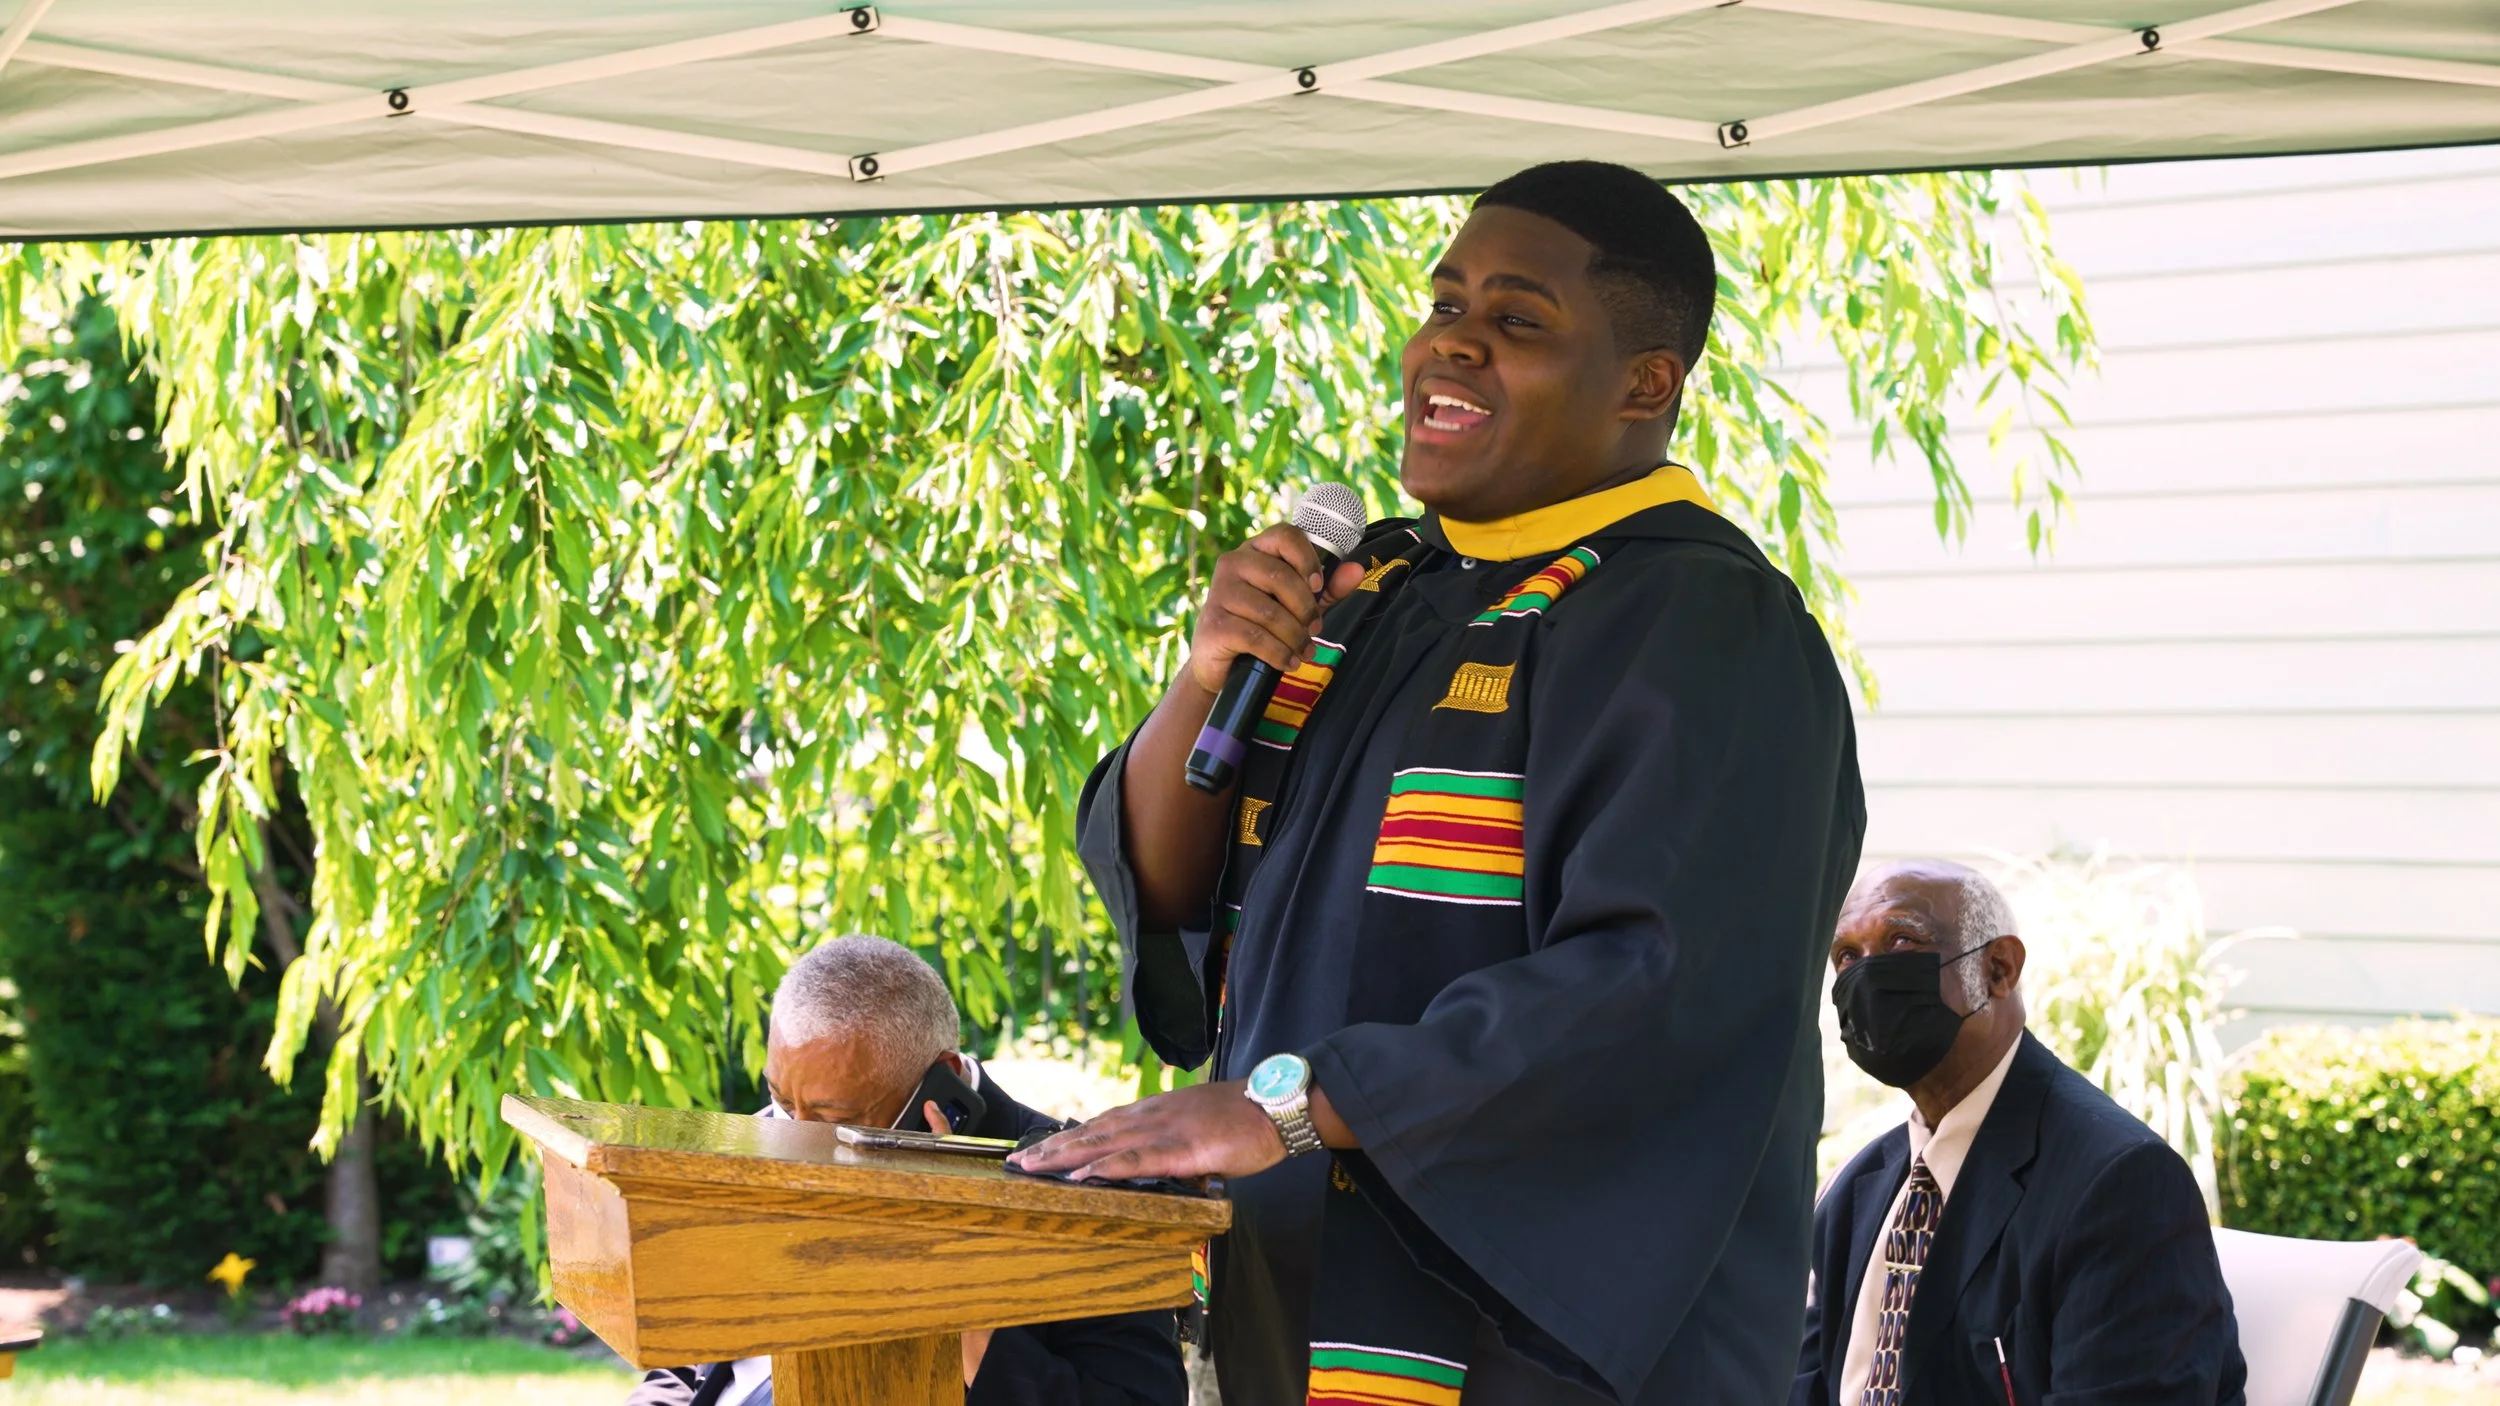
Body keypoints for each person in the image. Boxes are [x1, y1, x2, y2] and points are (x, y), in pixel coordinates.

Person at [1010, 160, 1865, 1404]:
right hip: (1296, 1292)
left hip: (1534, 1341)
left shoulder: (1697, 622)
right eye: (1444, 304)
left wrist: (1295, 1103)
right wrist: (1205, 677)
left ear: (1646, 381)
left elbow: (1654, 980)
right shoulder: (1378, 600)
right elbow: (1169, 878)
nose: (1452, 347)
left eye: (1515, 321)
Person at [624, 935, 1186, 1406]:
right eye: (779, 1098)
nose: (792, 1135)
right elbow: (688, 1367)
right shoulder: (773, 1129)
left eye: (831, 1117)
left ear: (936, 1084)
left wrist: (955, 1293)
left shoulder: (1085, 1189)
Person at [1792, 860, 2246, 1406]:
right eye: (1847, 956)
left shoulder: (2120, 1184)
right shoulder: (1854, 1192)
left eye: (1902, 941)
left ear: (1998, 969)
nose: (1867, 977)